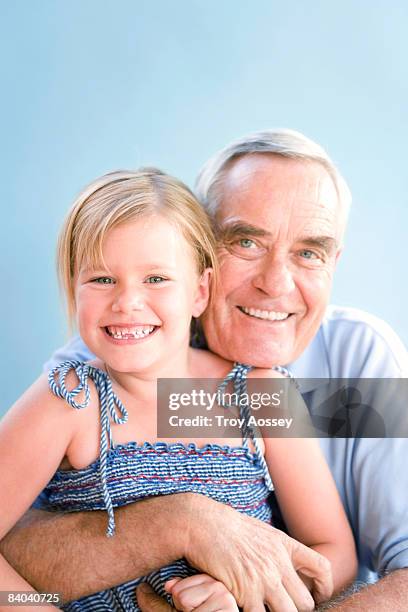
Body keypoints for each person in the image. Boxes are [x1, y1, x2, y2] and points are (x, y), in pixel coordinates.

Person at [2, 129, 408, 610]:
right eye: (247, 242)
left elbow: (339, 559)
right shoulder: (81, 382)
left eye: (308, 252)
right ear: (206, 256)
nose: (275, 284)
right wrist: (179, 524)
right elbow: (19, 545)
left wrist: (246, 589)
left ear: (197, 284)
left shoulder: (343, 362)